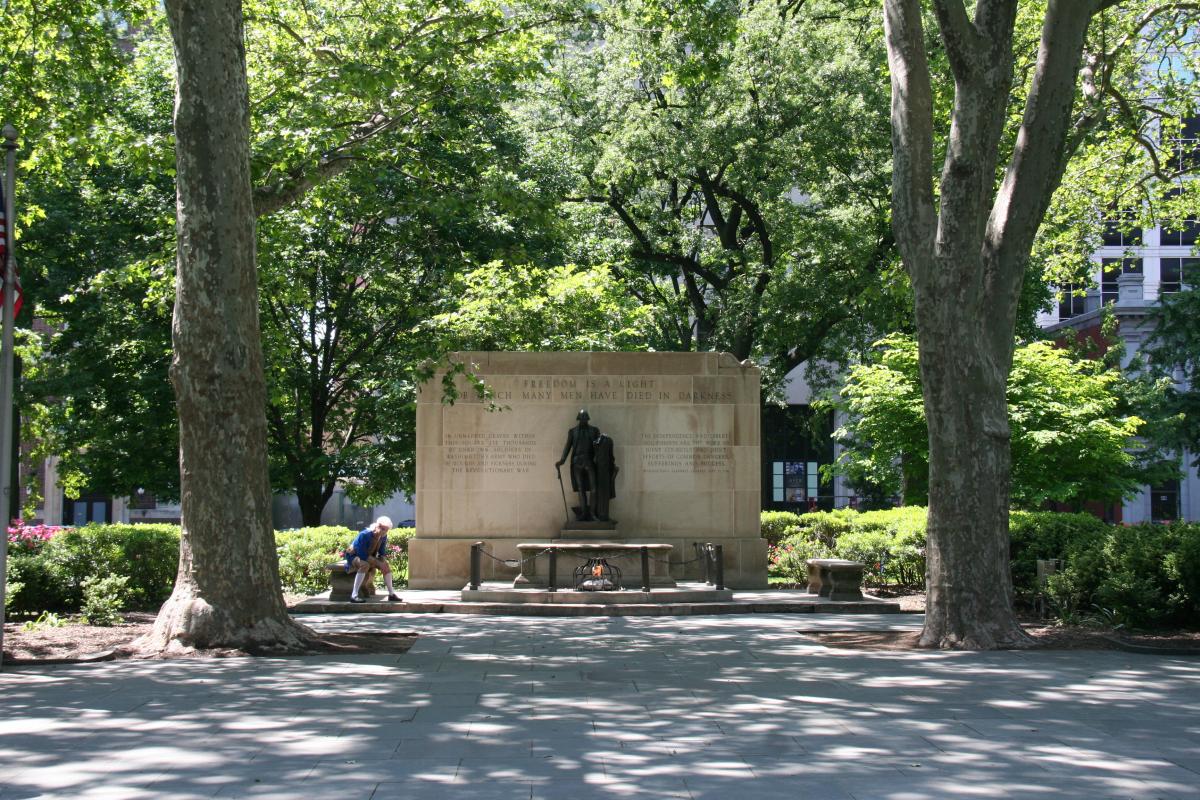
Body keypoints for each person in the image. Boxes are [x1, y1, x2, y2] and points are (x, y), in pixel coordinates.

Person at [344, 516, 401, 603]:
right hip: (354, 556)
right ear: (377, 526)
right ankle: (354, 595)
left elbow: (382, 552)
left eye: (386, 530)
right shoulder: (365, 535)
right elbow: (362, 555)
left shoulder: (383, 536)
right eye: (383, 529)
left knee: (386, 566)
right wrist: (378, 563)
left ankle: (391, 594)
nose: (384, 532)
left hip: (369, 556)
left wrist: (383, 562)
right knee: (364, 565)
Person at [556, 409, 600, 521]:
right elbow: (567, 447)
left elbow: (599, 448)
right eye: (581, 419)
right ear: (578, 419)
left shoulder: (594, 431)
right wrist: (562, 460)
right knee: (581, 489)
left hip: (589, 461)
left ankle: (592, 513)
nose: (583, 420)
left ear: (588, 419)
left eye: (585, 418)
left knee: (594, 488)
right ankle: (584, 513)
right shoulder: (573, 431)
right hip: (577, 462)